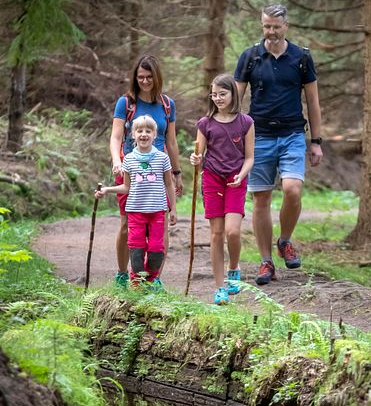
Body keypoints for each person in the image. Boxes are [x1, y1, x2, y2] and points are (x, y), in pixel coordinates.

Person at [234, 3, 324, 285]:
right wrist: (231, 137)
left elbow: (312, 101)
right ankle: (265, 262)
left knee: (292, 189)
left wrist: (316, 141)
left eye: (275, 26)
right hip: (258, 136)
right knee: (261, 199)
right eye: (266, 26)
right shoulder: (250, 57)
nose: (270, 32)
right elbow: (236, 102)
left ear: (286, 26)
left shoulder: (301, 58)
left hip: (292, 135)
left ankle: (284, 240)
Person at [109, 55, 184, 286]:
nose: (144, 81)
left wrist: (177, 172)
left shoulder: (167, 104)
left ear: (157, 77)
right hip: (130, 169)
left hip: (159, 169)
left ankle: (154, 279)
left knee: (160, 224)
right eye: (140, 77)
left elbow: (171, 141)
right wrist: (116, 160)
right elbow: (116, 136)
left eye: (149, 77)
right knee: (126, 223)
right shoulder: (126, 103)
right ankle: (123, 273)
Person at [189, 74, 255, 305]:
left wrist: (242, 175)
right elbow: (200, 154)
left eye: (222, 94)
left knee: (233, 232)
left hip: (236, 179)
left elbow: (249, 158)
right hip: (212, 179)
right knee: (216, 234)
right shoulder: (205, 123)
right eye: (214, 94)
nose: (217, 98)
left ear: (233, 94)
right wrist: (196, 159)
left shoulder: (246, 122)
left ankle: (234, 268)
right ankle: (219, 287)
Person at [96, 115, 177, 286]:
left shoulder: (162, 158)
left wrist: (173, 210)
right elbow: (126, 187)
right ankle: (137, 284)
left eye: (148, 131)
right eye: (139, 131)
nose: (144, 134)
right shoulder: (129, 160)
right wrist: (107, 190)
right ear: (133, 134)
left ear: (155, 135)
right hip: (135, 213)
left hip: (157, 212)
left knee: (156, 253)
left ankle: (152, 281)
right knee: (137, 252)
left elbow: (169, 185)